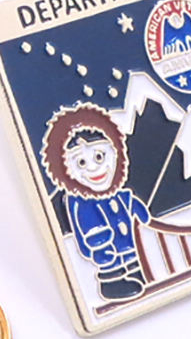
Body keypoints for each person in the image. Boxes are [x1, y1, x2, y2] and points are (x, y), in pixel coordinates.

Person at [41, 103, 150, 301]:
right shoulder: (82, 203)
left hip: (132, 250)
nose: (93, 168)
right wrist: (103, 251)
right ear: (65, 170)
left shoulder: (116, 194)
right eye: (81, 162)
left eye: (99, 156)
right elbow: (93, 230)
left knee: (137, 266)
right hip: (109, 257)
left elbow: (131, 206)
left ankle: (136, 271)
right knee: (113, 269)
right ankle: (112, 283)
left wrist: (139, 212)